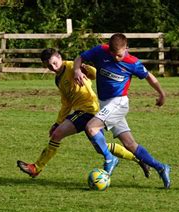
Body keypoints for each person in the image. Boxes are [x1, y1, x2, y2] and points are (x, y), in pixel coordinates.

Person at [17, 48, 151, 178]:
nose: (53, 67)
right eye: (49, 66)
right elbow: (66, 103)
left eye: (55, 63)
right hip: (85, 111)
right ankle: (140, 159)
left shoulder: (72, 66)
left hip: (88, 109)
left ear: (60, 58)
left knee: (57, 135)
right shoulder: (58, 79)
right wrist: (57, 122)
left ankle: (36, 168)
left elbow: (94, 74)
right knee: (101, 147)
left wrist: (84, 69)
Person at [73, 33, 171, 189]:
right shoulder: (100, 51)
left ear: (127, 48)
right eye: (113, 54)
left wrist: (162, 94)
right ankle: (161, 167)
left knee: (91, 128)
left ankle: (110, 159)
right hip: (106, 105)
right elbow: (80, 57)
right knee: (130, 144)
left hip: (119, 103)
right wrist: (76, 69)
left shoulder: (132, 62)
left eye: (119, 54)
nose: (116, 57)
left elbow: (150, 77)